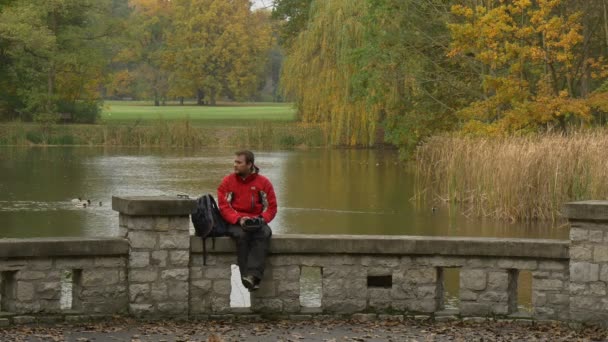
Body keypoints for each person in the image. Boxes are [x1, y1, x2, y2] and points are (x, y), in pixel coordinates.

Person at [217, 150, 277, 291]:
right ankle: (247, 277)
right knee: (242, 235)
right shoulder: (228, 182)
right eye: (235, 162)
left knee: (264, 233)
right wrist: (238, 219)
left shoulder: (264, 183)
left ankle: (253, 276)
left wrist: (261, 219)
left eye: (239, 162)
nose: (235, 165)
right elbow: (224, 206)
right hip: (235, 222)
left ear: (250, 164)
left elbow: (272, 208)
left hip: (257, 221)